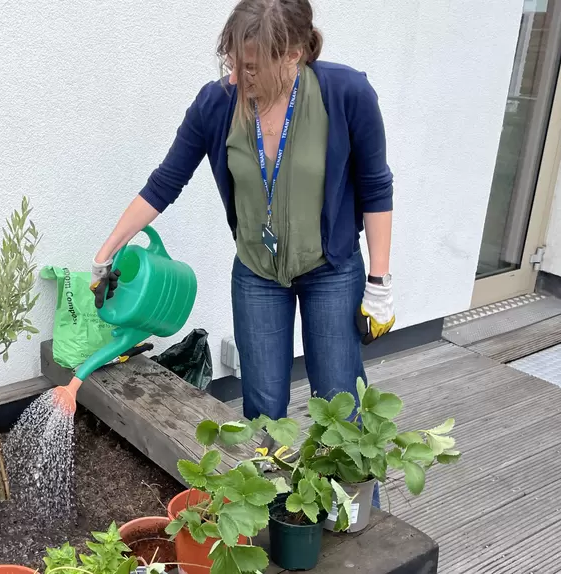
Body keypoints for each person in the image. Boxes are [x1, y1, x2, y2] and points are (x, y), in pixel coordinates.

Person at [88, 0, 396, 502]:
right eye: (231, 61)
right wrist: (107, 249)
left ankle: (361, 527)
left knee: (342, 407)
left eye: (250, 66)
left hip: (332, 270)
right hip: (256, 272)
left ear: (292, 55)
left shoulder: (345, 93)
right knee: (263, 409)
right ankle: (274, 518)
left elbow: (377, 188)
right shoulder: (217, 104)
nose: (235, 76)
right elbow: (165, 183)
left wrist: (379, 284)